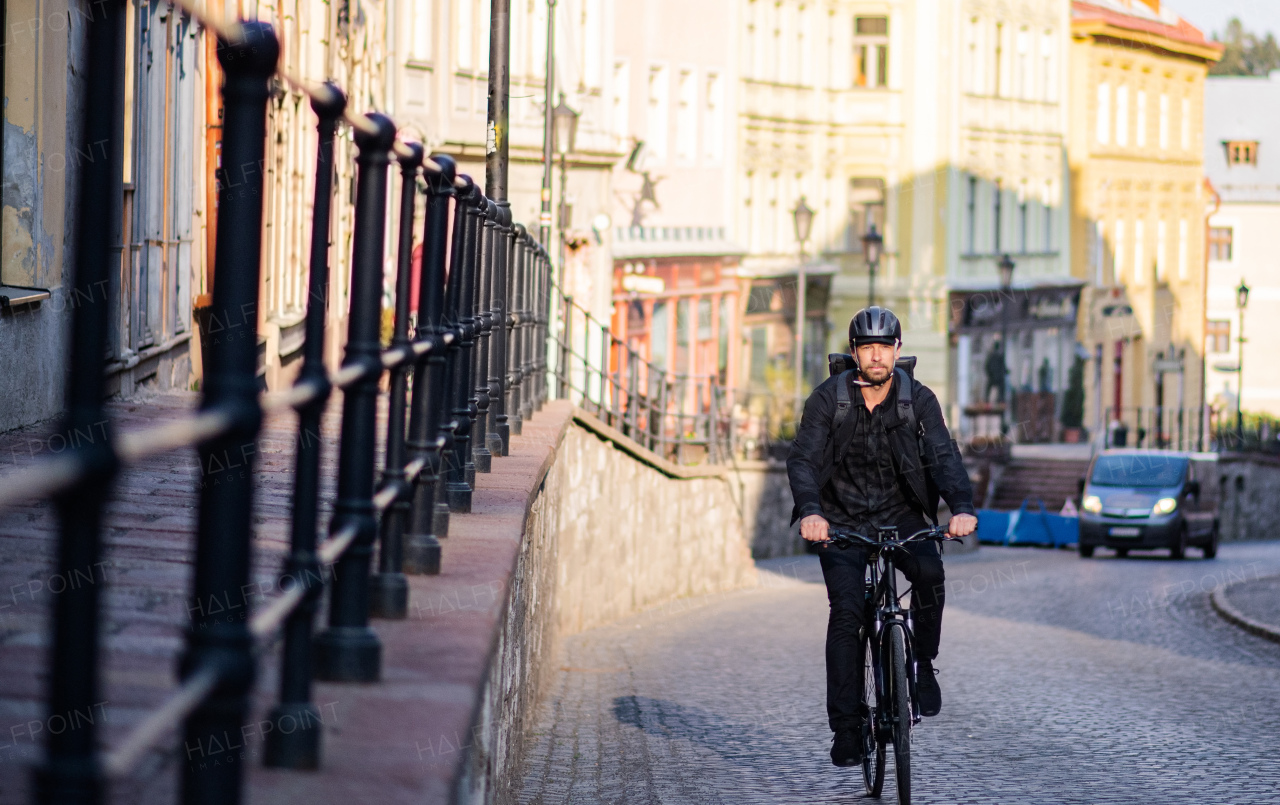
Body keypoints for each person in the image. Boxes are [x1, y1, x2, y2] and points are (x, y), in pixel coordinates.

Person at [786, 306, 978, 768]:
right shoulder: (828, 399)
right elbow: (804, 461)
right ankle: (848, 728)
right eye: (866, 347)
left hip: (904, 515)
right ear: (853, 353)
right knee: (847, 614)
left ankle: (923, 664)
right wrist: (812, 513)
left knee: (930, 574)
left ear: (897, 351)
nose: (875, 356)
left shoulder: (919, 400)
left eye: (883, 347)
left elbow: (943, 458)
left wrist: (962, 508)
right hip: (842, 520)